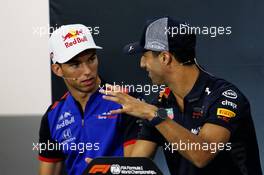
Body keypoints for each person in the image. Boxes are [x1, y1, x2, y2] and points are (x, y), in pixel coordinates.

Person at [100, 16, 263, 175]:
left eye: (145, 56)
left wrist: (153, 114)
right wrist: (106, 168)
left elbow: (202, 155)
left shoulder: (223, 97)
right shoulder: (161, 105)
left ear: (165, 58)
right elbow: (136, 165)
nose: (142, 64)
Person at [38, 24, 140, 175]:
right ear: (57, 70)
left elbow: (137, 167)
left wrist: (108, 170)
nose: (87, 71)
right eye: (75, 64)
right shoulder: (52, 116)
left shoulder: (127, 100)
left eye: (91, 59)